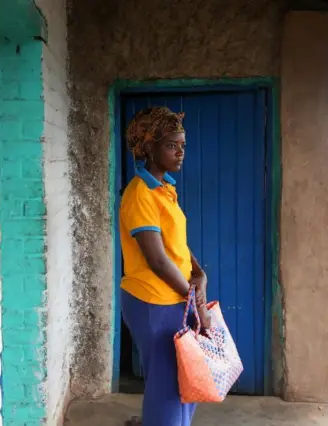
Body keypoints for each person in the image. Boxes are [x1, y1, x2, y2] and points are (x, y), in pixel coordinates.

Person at [120, 107, 211, 426]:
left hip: (174, 298)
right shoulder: (140, 194)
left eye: (183, 144)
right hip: (153, 302)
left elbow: (176, 244)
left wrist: (197, 272)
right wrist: (195, 298)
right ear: (148, 148)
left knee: (186, 382)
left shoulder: (164, 189)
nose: (181, 152)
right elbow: (157, 259)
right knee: (169, 387)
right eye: (172, 145)